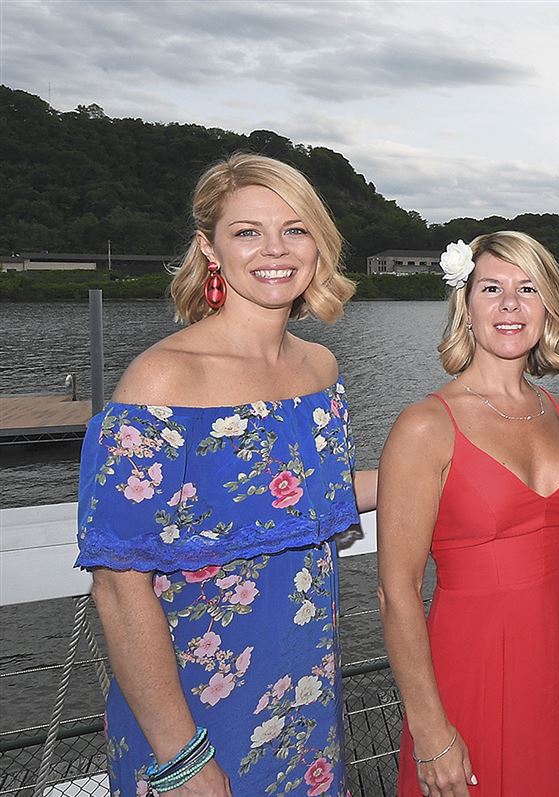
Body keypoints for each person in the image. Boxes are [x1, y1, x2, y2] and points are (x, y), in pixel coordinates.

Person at [76, 153, 374, 796]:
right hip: (191, 715)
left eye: (295, 229)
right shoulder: (163, 380)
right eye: (247, 231)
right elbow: (118, 588)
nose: (274, 249)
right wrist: (181, 758)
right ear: (209, 249)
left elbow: (310, 501)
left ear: (319, 245)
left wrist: (448, 463)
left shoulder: (320, 370)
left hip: (305, 700)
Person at [377, 231, 559, 797]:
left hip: (552, 670)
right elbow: (395, 590)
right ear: (466, 304)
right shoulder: (426, 426)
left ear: (547, 307)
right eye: (491, 288)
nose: (509, 304)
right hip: (468, 665)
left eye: (528, 289)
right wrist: (430, 730)